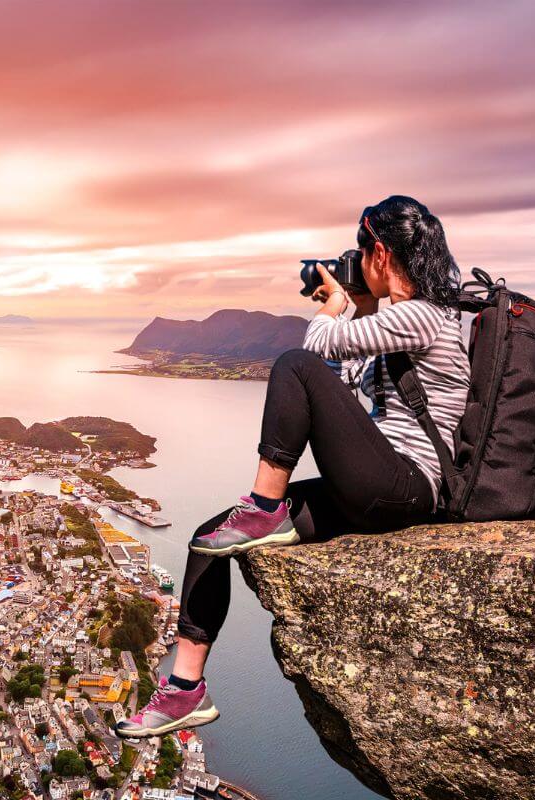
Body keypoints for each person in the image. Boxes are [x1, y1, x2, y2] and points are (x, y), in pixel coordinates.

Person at [115, 195, 471, 738]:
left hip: (408, 486)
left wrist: (333, 308)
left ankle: (264, 505)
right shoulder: (401, 323)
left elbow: (315, 349)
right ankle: (186, 689)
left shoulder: (425, 315)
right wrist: (356, 305)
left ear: (378, 252)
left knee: (292, 364)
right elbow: (342, 385)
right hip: (377, 485)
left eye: (359, 252)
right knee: (210, 537)